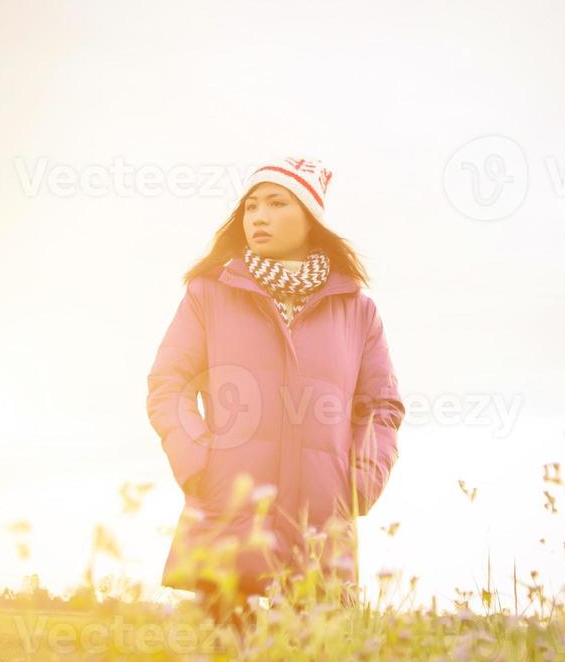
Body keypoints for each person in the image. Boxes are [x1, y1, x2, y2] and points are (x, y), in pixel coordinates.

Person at [146, 156, 405, 628]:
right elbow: (170, 385)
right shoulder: (209, 294)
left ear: (309, 216)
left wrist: (359, 483)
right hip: (228, 515)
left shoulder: (357, 310)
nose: (258, 216)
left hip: (322, 524)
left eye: (275, 203)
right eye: (250, 206)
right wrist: (199, 463)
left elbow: (381, 407)